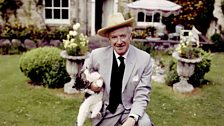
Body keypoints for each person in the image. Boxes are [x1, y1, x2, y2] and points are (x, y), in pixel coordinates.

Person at [83, 13, 153, 126]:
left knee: (145, 123)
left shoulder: (144, 59)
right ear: (109, 39)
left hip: (129, 109)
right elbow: (82, 75)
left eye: (123, 36)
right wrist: (91, 85)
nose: (119, 41)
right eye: (114, 37)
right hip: (105, 110)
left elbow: (142, 93)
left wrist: (132, 118)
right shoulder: (96, 55)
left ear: (130, 36)